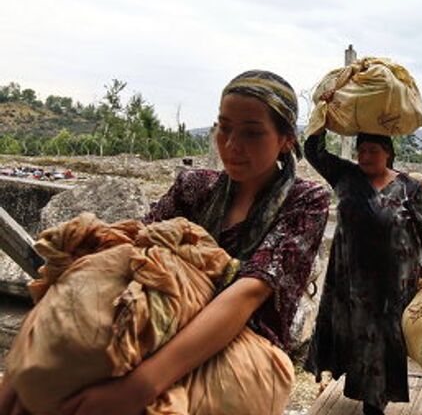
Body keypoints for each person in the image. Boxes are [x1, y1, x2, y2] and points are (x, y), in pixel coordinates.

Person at [0, 70, 331, 415]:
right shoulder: (194, 188)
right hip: (158, 325)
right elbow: (124, 256)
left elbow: (248, 292)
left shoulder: (305, 201)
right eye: (224, 127)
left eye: (252, 133)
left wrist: (141, 386)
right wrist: (30, 354)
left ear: (286, 140)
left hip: (241, 345)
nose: (232, 145)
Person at [304, 129, 422, 415]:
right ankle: (363, 391)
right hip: (350, 281)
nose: (366, 156)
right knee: (354, 335)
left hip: (392, 284)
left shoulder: (409, 187)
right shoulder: (346, 176)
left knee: (382, 341)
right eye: (362, 150)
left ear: (388, 153)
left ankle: (375, 403)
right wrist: (325, 118)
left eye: (373, 150)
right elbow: (313, 151)